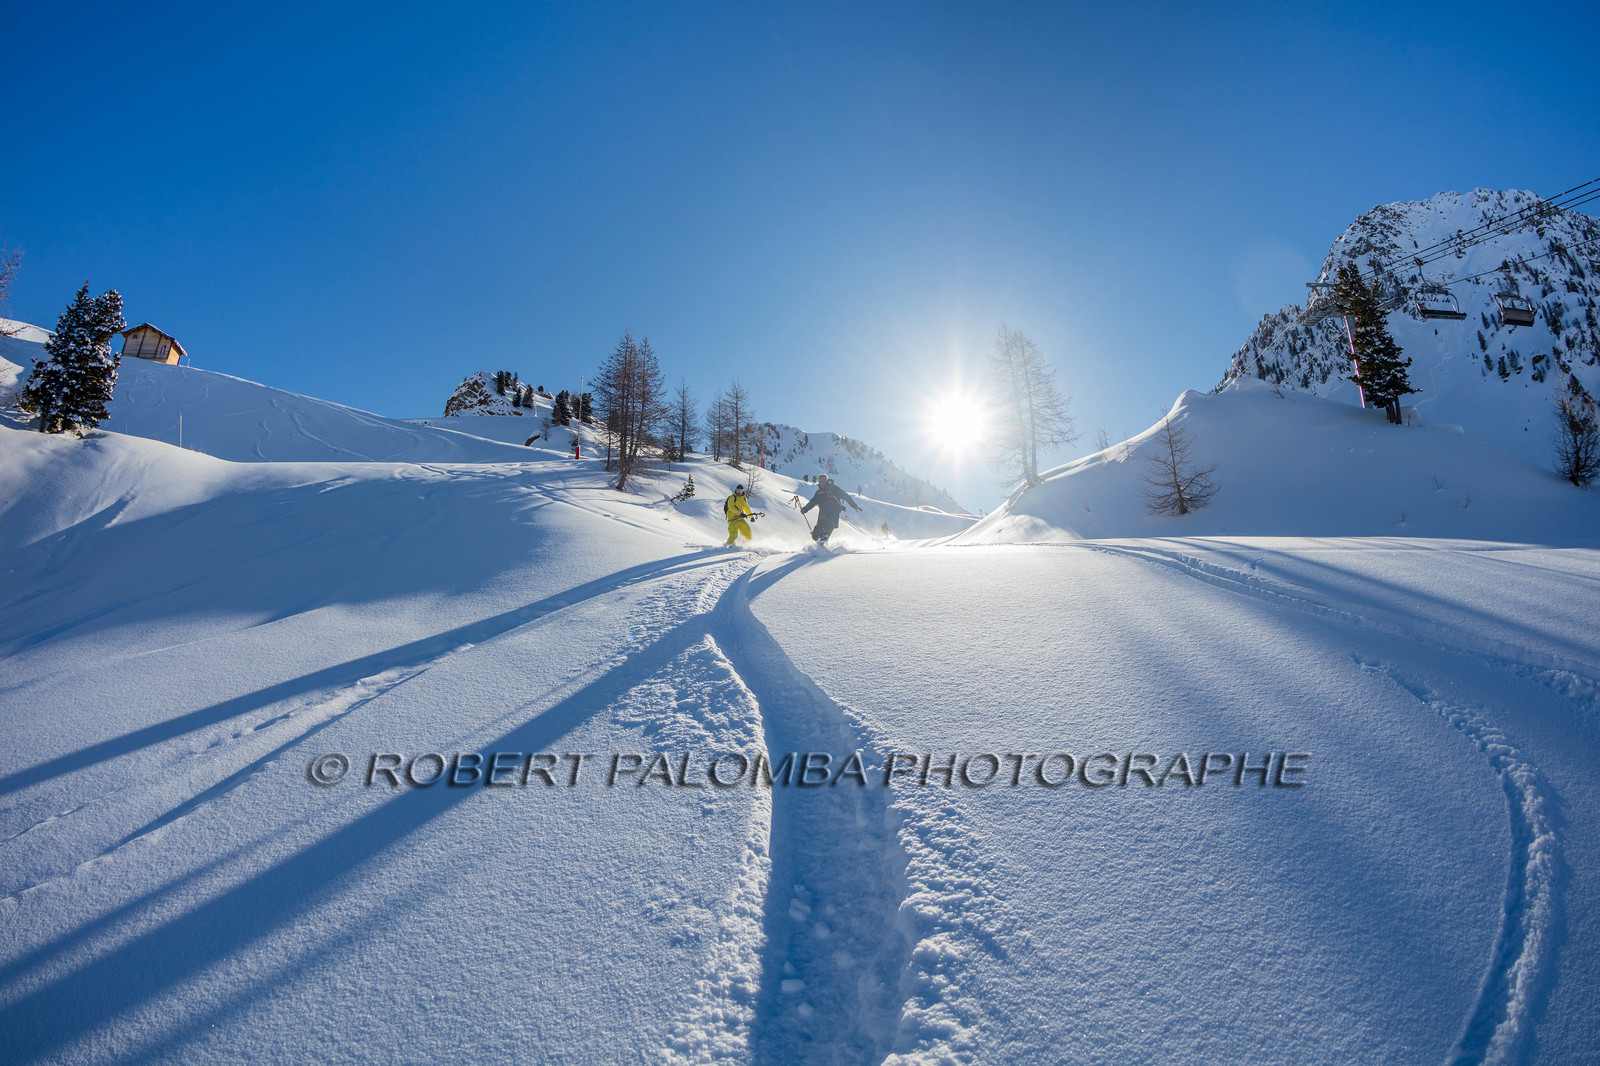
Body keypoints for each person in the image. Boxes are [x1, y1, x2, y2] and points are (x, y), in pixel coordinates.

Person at [801, 473, 861, 545]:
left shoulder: (834, 489)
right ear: (819, 482)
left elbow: (845, 496)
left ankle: (824, 541)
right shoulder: (819, 492)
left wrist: (854, 505)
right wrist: (805, 509)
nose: (822, 483)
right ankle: (823, 545)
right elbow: (813, 502)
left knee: (827, 528)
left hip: (833, 512)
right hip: (822, 513)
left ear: (827, 481)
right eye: (821, 481)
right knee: (815, 535)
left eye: (824, 481)